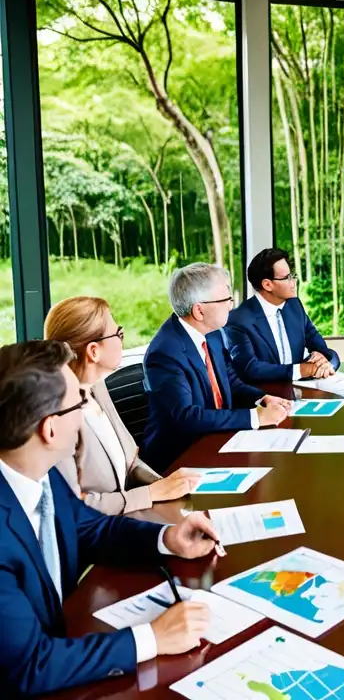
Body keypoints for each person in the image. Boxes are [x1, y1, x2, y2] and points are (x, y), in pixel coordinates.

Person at [0, 340, 223, 696]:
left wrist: (165, 538)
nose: (87, 408)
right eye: (79, 402)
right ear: (50, 429)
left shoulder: (37, 472)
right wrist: (152, 638)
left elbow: (88, 527)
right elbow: (32, 666)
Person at [44, 297, 199, 515]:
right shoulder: (59, 417)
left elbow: (130, 461)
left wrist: (168, 485)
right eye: (118, 334)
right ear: (93, 352)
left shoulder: (97, 387)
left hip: (129, 518)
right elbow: (73, 507)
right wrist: (151, 493)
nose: (122, 340)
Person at [142, 264, 290, 472]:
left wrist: (261, 398)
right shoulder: (165, 353)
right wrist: (256, 417)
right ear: (199, 310)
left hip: (218, 440)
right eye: (225, 300)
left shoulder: (212, 332)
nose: (231, 306)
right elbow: (187, 416)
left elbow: (230, 381)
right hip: (180, 460)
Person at [224, 248, 340, 384]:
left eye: (292, 276)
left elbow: (320, 347)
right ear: (267, 284)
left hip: (299, 391)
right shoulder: (238, 320)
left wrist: (324, 362)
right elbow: (251, 369)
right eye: (287, 278)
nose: (294, 282)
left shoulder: (294, 305)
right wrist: (301, 370)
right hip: (263, 398)